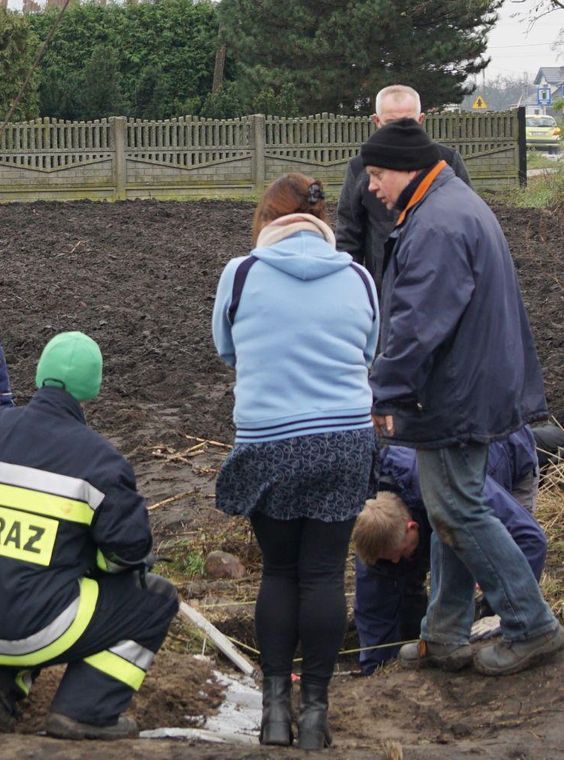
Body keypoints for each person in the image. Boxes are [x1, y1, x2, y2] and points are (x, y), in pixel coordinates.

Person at [362, 119, 563, 676]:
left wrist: (384, 391)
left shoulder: (438, 225)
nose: (372, 187)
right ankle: (444, 633)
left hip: (455, 393)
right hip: (473, 385)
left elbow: (418, 323)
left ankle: (531, 623)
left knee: (457, 508)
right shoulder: (452, 205)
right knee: (450, 506)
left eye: (377, 175)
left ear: (405, 169)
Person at [212, 173, 379, 750]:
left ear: (267, 220)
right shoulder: (358, 276)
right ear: (321, 221)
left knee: (279, 573)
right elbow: (369, 351)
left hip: (269, 443)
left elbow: (226, 348)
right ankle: (316, 716)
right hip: (344, 441)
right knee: (326, 574)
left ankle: (274, 712)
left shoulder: (242, 273)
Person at [0, 331, 179, 740]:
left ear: (38, 375)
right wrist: (90, 562)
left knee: (26, 579)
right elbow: (130, 551)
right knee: (155, 599)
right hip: (37, 626)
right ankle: (85, 710)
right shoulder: (100, 461)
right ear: (94, 388)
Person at [352, 434, 547, 675]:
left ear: (411, 526)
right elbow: (375, 605)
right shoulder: (374, 524)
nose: (393, 561)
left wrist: (501, 616)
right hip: (436, 473)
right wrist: (375, 671)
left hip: (504, 451)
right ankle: (440, 637)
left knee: (488, 553)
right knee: (406, 566)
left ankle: (529, 630)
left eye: (398, 553)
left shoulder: (449, 491)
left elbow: (529, 539)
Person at [336, 85, 471, 294]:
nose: (400, 132)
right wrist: (352, 291)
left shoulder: (447, 163)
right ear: (376, 121)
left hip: (439, 288)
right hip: (382, 291)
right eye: (391, 123)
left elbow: (467, 228)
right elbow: (348, 237)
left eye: (407, 123)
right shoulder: (359, 169)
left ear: (421, 120)